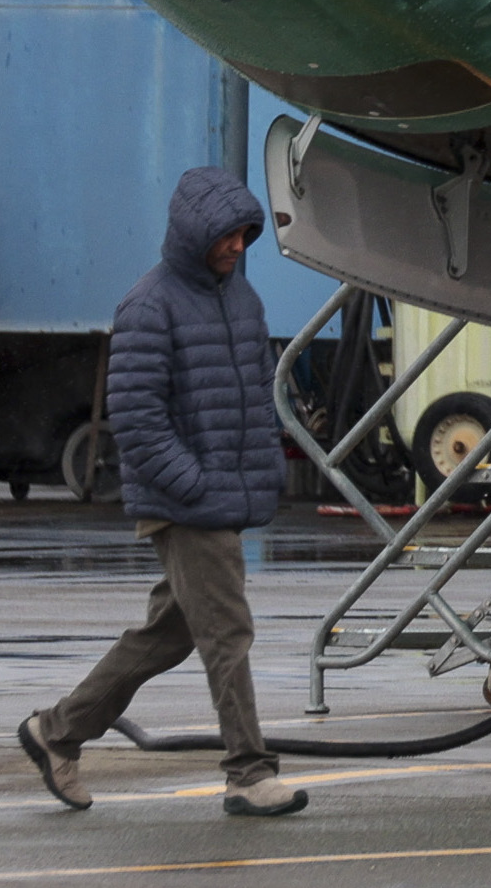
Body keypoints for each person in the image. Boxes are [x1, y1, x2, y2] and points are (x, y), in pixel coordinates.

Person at [20, 167, 307, 817]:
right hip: (186, 504)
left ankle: (56, 730)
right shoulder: (149, 304)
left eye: (243, 234)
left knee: (169, 635)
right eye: (225, 235)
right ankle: (248, 770)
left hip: (219, 496)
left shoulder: (242, 298)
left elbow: (260, 397)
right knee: (227, 631)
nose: (237, 245)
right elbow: (137, 417)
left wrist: (260, 473)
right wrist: (196, 486)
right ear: (192, 233)